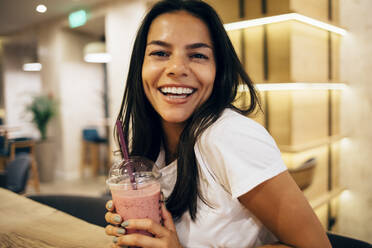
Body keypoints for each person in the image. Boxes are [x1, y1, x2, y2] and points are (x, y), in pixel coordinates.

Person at [104, 0, 332, 247]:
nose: (177, 68)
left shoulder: (231, 136)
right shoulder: (150, 144)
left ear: (218, 70)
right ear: (140, 66)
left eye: (198, 55)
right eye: (160, 53)